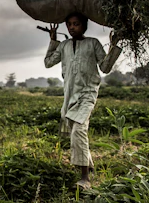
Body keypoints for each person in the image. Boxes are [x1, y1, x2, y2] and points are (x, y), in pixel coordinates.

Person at [44, 12, 121, 190]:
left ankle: (85, 178)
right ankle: (90, 166)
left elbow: (105, 67)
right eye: (69, 24)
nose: (72, 27)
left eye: (76, 24)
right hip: (70, 95)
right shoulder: (63, 46)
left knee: (79, 129)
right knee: (74, 130)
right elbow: (48, 62)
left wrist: (114, 46)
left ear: (84, 25)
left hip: (87, 93)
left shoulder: (92, 43)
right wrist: (53, 41)